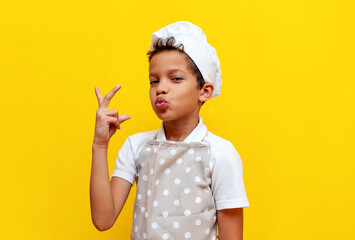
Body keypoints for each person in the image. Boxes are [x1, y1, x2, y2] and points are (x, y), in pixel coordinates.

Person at [90, 21, 249, 240]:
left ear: (205, 91)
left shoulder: (220, 153)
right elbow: (103, 219)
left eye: (175, 78)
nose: (161, 88)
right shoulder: (136, 146)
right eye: (154, 81)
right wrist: (100, 146)